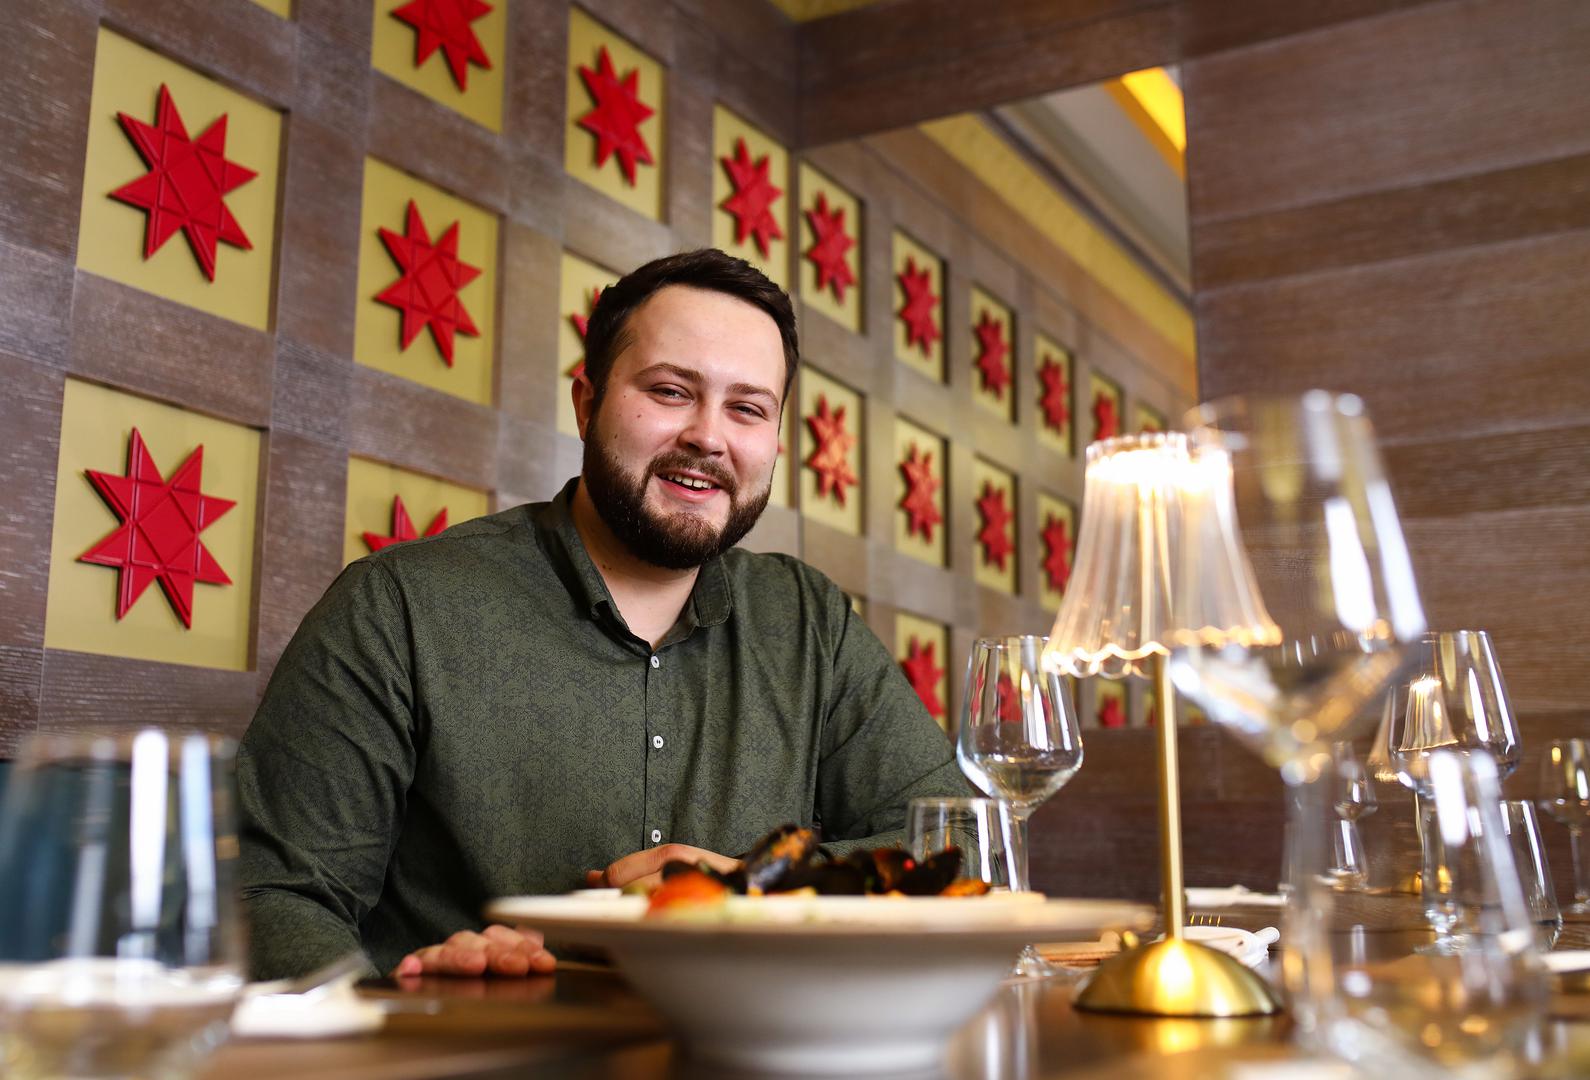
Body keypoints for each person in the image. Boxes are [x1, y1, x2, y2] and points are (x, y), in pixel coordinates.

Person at [238, 249, 971, 981]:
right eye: (671, 391)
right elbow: (268, 897)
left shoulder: (812, 623)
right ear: (587, 403)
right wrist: (396, 1010)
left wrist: (761, 888)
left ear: (775, 441)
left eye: (746, 408)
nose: (708, 436)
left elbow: (963, 841)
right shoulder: (397, 605)